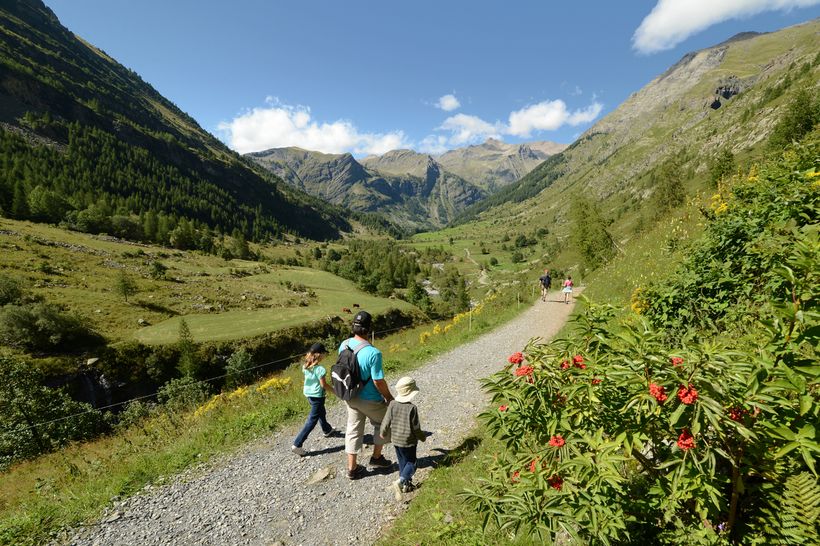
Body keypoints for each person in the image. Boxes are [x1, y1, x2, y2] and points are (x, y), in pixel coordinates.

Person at [340, 310, 394, 480]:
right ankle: (377, 458)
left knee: (354, 429)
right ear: (369, 328)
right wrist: (389, 397)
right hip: (370, 398)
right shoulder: (373, 353)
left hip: (350, 396)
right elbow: (378, 381)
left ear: (353, 327)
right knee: (383, 423)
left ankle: (352, 468)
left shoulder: (344, 344)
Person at [380, 376, 426, 499]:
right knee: (412, 463)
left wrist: (383, 432)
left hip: (396, 440)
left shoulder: (392, 404)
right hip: (409, 441)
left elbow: (386, 420)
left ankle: (406, 485)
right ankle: (400, 482)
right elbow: (416, 427)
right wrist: (422, 437)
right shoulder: (412, 408)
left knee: (402, 463)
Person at [291, 343, 335, 456]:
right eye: (324, 353)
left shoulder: (305, 366)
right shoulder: (320, 369)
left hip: (309, 395)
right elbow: (324, 385)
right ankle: (297, 444)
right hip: (317, 396)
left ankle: (327, 430)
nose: (324, 356)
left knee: (321, 412)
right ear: (319, 355)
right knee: (312, 420)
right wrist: (335, 391)